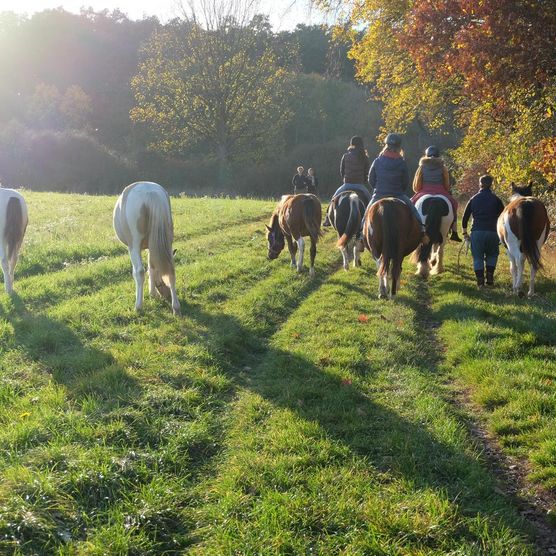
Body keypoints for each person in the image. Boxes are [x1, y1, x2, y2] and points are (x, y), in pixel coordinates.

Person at [367, 133, 426, 235]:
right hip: (397, 194)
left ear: (386, 146)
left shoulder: (377, 161)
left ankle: (360, 237)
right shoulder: (402, 163)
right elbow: (405, 181)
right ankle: (422, 231)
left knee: (366, 214)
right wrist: (400, 191)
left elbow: (371, 179)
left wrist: (377, 188)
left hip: (379, 194)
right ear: (399, 148)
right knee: (413, 210)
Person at [461, 174, 505, 287]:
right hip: (493, 232)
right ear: (491, 184)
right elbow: (504, 217)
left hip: (477, 232)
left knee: (478, 257)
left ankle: (480, 281)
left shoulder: (473, 198)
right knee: (492, 255)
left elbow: (465, 217)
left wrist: (464, 232)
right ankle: (489, 278)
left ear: (480, 184)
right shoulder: (496, 199)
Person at [411, 145, 462, 242]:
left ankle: (409, 228)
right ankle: (454, 231)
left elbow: (417, 185)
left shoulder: (421, 167)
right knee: (454, 204)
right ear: (438, 155)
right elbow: (447, 185)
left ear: (426, 155)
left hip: (424, 191)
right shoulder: (443, 167)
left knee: (411, 204)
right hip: (441, 191)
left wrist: (419, 189)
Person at [323, 136, 371, 226]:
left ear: (351, 144)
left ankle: (327, 219)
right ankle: (370, 219)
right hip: (360, 185)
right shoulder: (364, 157)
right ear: (361, 144)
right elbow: (367, 171)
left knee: (333, 199)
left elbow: (342, 171)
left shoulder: (345, 156)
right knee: (369, 200)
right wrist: (363, 180)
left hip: (347, 184)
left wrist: (346, 179)